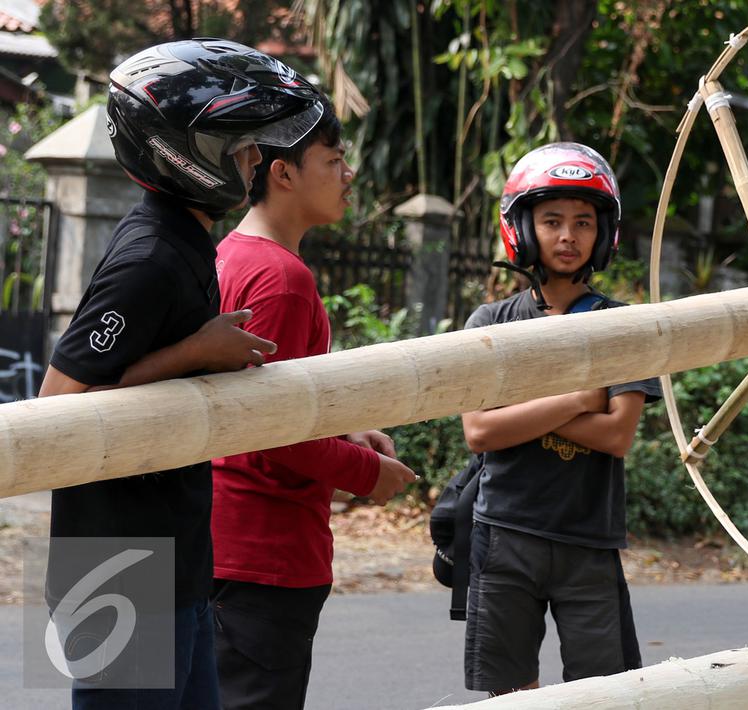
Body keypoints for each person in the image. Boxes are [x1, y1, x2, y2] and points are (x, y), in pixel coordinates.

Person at [39, 39, 328, 708]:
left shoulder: (186, 238)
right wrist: (194, 354)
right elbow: (55, 406)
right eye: (240, 145)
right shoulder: (149, 258)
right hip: (118, 569)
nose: (256, 161)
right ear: (183, 150)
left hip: (175, 559)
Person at [208, 102, 417, 709]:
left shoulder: (228, 255)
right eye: (333, 159)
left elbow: (262, 401)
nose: (347, 172)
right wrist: (368, 474)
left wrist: (348, 429)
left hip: (219, 544)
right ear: (283, 174)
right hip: (264, 556)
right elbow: (268, 431)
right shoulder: (281, 278)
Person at [460, 142, 660, 695]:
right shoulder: (491, 320)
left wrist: (517, 408)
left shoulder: (623, 325)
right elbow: (479, 431)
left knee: (601, 694)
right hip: (505, 531)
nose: (568, 236)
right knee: (510, 692)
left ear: (604, 234)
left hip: (589, 539)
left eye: (582, 222)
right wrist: (576, 398)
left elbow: (617, 435)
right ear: (523, 228)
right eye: (551, 221)